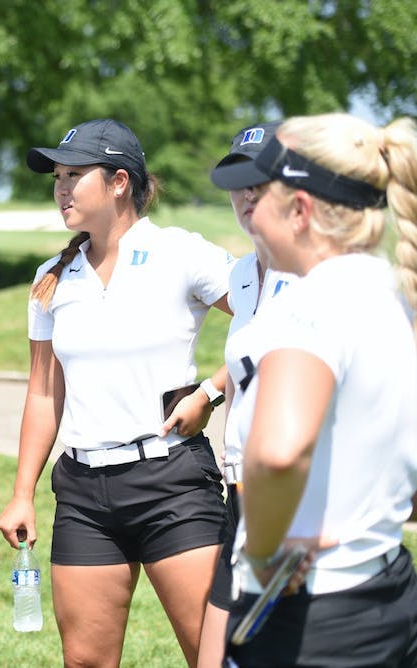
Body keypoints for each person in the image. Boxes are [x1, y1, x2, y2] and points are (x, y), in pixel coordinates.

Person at [0, 118, 234, 667]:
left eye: (74, 175)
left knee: (213, 655)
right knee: (84, 662)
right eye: (57, 177)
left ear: (120, 182)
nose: (60, 189)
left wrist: (209, 392)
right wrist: (21, 492)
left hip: (173, 484)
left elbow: (273, 323)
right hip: (83, 494)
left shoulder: (181, 253)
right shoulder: (51, 278)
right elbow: (41, 393)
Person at [210, 113, 417, 667]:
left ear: (300, 210)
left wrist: (260, 555)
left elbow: (278, 455)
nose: (249, 206)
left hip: (311, 616)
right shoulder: (391, 293)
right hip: (387, 592)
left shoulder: (308, 308)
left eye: (262, 190)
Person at [196, 121, 298, 667]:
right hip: (237, 490)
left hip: (290, 498)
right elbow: (248, 360)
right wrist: (211, 391)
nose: (247, 193)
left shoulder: (312, 275)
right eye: (238, 180)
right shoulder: (239, 274)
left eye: (262, 178)